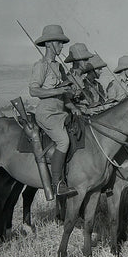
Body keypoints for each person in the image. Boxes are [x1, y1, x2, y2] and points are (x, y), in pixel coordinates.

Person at [28, 24, 82, 197]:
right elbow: (34, 90)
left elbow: (65, 96)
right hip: (47, 113)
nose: (61, 47)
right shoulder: (41, 65)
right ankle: (57, 184)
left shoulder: (58, 67)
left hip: (61, 112)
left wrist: (74, 108)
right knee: (63, 142)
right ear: (50, 44)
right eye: (59, 43)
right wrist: (57, 91)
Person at [64, 43, 94, 107]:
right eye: (85, 59)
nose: (87, 62)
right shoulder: (68, 79)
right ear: (76, 61)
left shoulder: (84, 78)